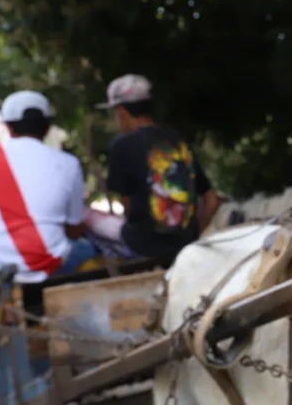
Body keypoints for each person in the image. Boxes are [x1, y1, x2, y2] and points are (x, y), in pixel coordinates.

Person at [0, 90, 99, 283]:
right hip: (45, 264)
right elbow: (74, 229)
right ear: (48, 127)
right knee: (88, 249)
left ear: (8, 126)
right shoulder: (69, 163)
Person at [83, 74, 220, 265]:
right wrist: (192, 238)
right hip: (184, 244)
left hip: (142, 245)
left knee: (85, 217)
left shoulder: (122, 144)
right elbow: (211, 200)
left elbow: (127, 207)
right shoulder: (177, 139)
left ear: (122, 112)